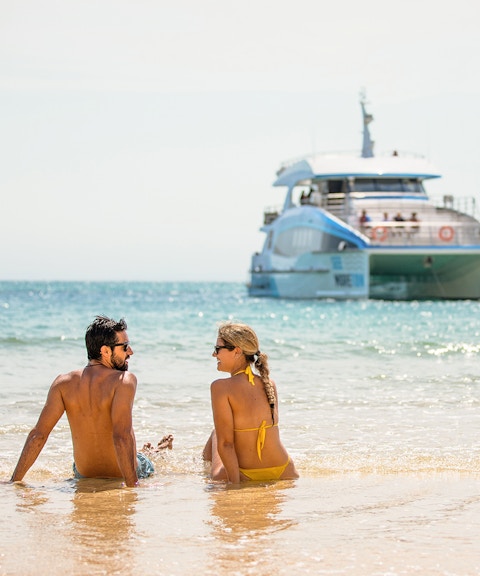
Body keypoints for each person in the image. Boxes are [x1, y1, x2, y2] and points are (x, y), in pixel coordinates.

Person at [10, 315, 171, 487]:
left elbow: (38, 435)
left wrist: (14, 481)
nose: (130, 351)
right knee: (145, 461)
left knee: (83, 462)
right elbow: (121, 436)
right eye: (124, 347)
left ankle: (149, 451)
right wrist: (133, 486)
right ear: (105, 351)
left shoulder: (62, 383)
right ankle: (153, 452)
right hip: (123, 473)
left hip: (83, 474)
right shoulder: (124, 380)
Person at [203, 321, 299, 483]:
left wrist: (235, 485)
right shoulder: (269, 383)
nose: (214, 355)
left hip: (245, 474)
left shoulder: (221, 387)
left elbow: (226, 444)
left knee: (217, 434)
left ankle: (201, 471)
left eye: (218, 349)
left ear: (237, 351)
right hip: (284, 471)